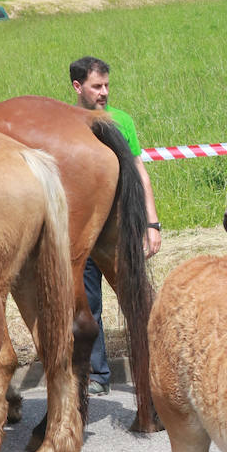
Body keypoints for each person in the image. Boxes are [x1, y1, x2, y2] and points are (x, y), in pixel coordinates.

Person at [70, 56, 162, 395]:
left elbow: (140, 172)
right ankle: (97, 376)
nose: (104, 92)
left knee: (137, 301)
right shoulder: (67, 124)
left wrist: (152, 224)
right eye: (97, 86)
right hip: (85, 234)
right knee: (87, 306)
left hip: (122, 227)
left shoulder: (121, 120)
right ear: (77, 87)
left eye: (107, 85)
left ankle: (153, 374)